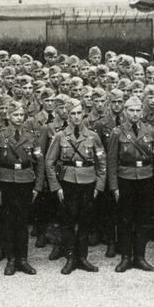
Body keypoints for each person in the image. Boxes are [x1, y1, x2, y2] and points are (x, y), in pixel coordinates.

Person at [45, 97, 107, 274]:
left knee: (86, 221)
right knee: (68, 221)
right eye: (72, 113)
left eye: (79, 113)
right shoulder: (60, 136)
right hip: (68, 182)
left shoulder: (93, 136)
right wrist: (56, 187)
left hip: (89, 182)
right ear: (67, 116)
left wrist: (99, 186)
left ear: (84, 114)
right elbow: (49, 163)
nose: (76, 117)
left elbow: (101, 162)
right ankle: (71, 257)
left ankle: (83, 258)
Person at [0, 98, 44, 276]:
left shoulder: (31, 136)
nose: (19, 118)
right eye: (15, 115)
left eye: (21, 115)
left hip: (26, 181)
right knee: (9, 222)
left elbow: (39, 162)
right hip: (7, 181)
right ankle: (11, 260)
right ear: (8, 116)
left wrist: (38, 186)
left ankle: (23, 260)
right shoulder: (0, 136)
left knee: (23, 222)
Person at [105, 96, 154, 273]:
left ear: (142, 112)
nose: (135, 114)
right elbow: (111, 160)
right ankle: (126, 257)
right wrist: (114, 186)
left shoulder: (150, 131)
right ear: (125, 112)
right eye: (131, 111)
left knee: (143, 219)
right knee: (125, 220)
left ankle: (140, 257)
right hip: (125, 178)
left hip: (145, 178)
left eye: (138, 111)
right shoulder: (117, 133)